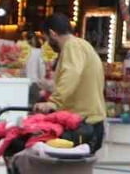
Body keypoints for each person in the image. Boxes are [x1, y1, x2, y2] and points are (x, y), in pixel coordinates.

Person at [34, 13, 107, 153]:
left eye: (46, 39)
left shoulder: (72, 46)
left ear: (52, 33)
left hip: (82, 124)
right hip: (90, 121)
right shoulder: (83, 45)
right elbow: (77, 79)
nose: (47, 43)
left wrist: (54, 102)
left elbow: (71, 74)